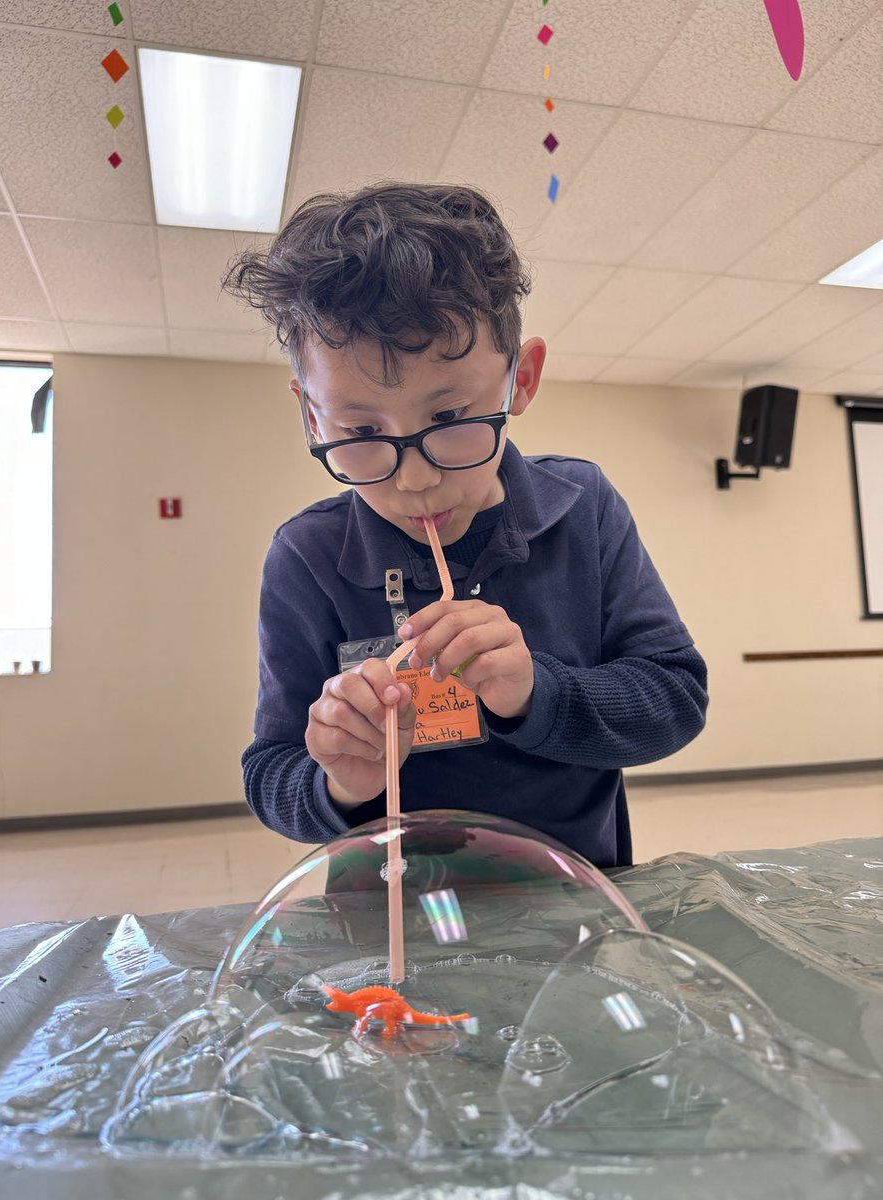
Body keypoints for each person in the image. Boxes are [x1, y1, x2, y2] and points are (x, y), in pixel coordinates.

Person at [222, 183, 707, 868]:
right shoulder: (307, 555)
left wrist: (537, 692)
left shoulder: (584, 505)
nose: (413, 480)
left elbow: (674, 700)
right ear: (311, 414)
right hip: (388, 918)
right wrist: (340, 779)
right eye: (361, 430)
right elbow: (271, 775)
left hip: (575, 899)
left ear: (521, 379)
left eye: (449, 421)